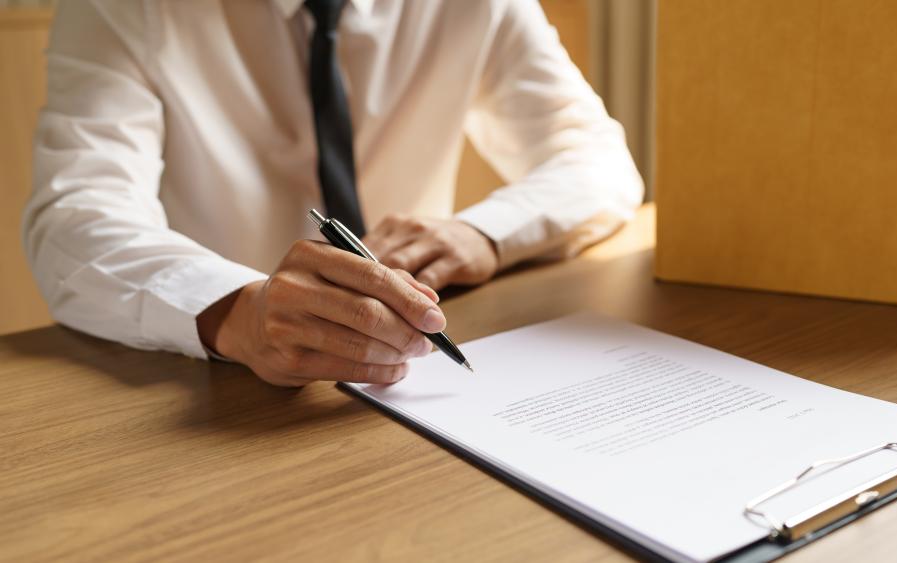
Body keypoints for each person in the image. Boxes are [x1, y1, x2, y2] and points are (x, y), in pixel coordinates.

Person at [22, 0, 643, 387]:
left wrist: (481, 232)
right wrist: (238, 310)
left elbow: (599, 160)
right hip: (222, 388)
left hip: (408, 357)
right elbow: (74, 217)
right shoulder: (121, 8)